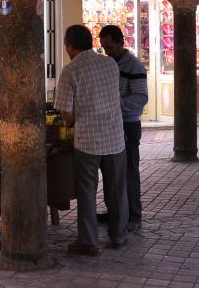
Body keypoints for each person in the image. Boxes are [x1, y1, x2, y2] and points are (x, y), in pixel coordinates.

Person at [54, 24, 127, 255]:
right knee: (116, 191)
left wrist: (72, 119)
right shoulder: (110, 64)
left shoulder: (70, 71)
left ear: (69, 46)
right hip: (114, 137)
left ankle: (88, 242)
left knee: (87, 192)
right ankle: (119, 236)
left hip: (87, 141)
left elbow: (66, 115)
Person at [98, 24, 147, 235]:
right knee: (112, 172)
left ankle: (134, 215)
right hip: (111, 123)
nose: (107, 52)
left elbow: (141, 98)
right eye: (103, 48)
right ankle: (116, 212)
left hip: (128, 123)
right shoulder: (108, 64)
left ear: (121, 43)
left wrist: (118, 103)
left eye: (110, 47)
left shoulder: (133, 66)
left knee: (128, 171)